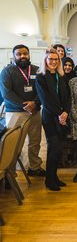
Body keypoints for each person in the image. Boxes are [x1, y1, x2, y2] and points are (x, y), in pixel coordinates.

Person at [0, 44, 45, 177]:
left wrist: (35, 103)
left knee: (35, 142)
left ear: (29, 54)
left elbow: (42, 90)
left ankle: (35, 167)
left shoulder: (37, 70)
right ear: (13, 56)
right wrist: (24, 105)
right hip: (15, 112)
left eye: (25, 53)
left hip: (34, 112)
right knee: (14, 144)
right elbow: (6, 93)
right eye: (19, 54)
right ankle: (10, 173)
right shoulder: (7, 71)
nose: (23, 56)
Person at [36, 48, 71, 191]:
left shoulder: (61, 76)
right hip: (50, 118)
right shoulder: (41, 77)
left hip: (62, 117)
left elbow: (69, 97)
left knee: (59, 148)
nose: (54, 62)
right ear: (45, 61)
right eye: (50, 59)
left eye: (56, 59)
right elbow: (46, 100)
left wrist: (66, 113)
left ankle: (54, 177)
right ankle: (49, 180)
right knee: (54, 148)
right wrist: (59, 114)